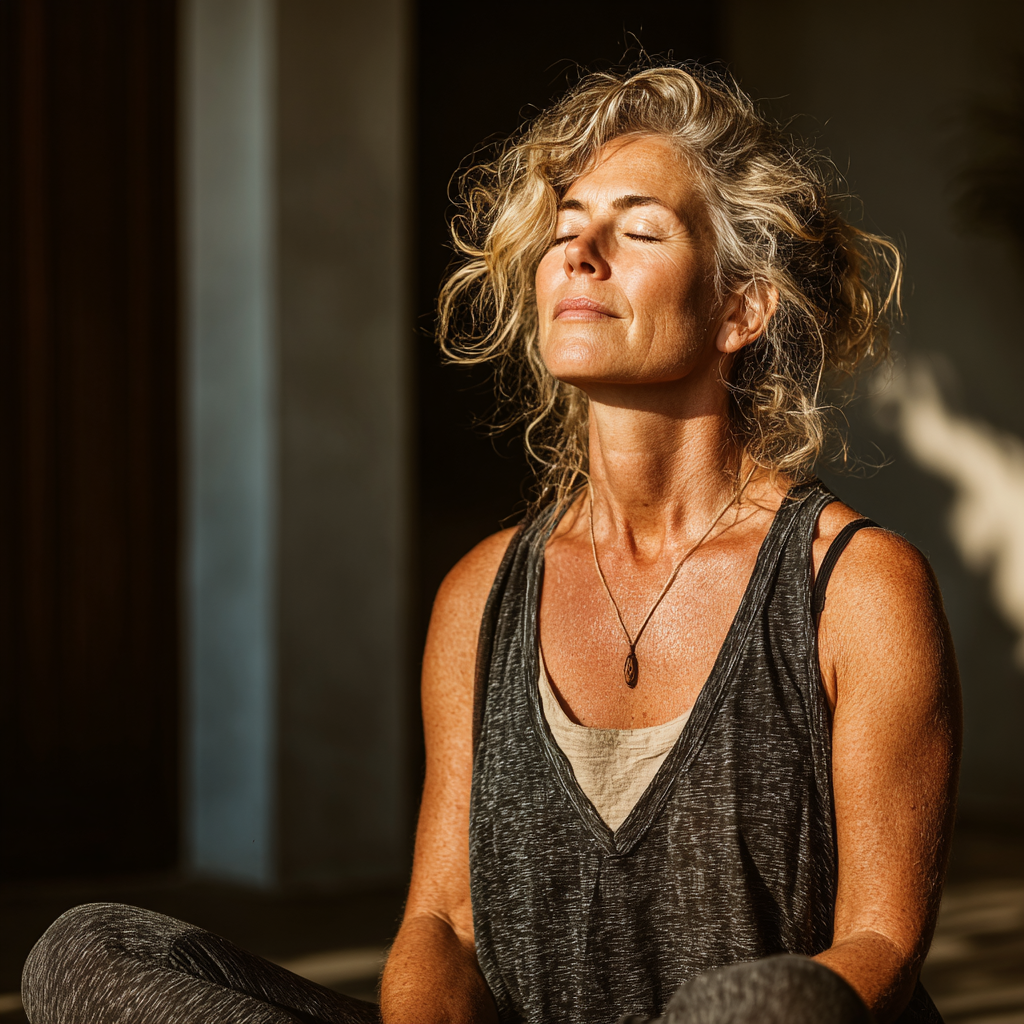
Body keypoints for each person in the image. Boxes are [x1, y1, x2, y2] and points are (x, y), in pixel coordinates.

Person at [22, 64, 960, 1024]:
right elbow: (447, 925)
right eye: (563, 230)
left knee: (766, 1001)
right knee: (89, 949)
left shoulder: (853, 588)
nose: (578, 255)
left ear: (740, 309)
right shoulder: (483, 592)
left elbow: (881, 944)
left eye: (637, 230)